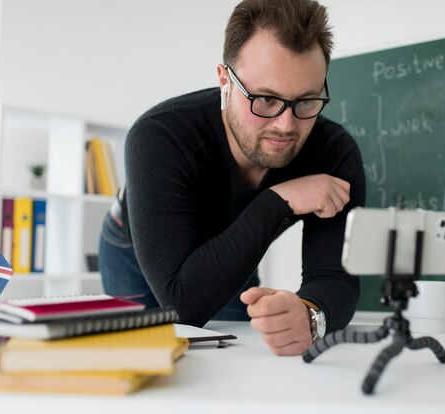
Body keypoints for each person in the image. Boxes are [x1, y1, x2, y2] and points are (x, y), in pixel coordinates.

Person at [99, 0, 365, 356]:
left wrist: (309, 314)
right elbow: (183, 305)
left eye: (306, 101)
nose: (286, 125)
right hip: (134, 246)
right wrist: (279, 201)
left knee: (234, 354)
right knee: (144, 357)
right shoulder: (160, 135)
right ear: (225, 81)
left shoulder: (334, 152)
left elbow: (335, 277)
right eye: (266, 99)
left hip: (231, 247)